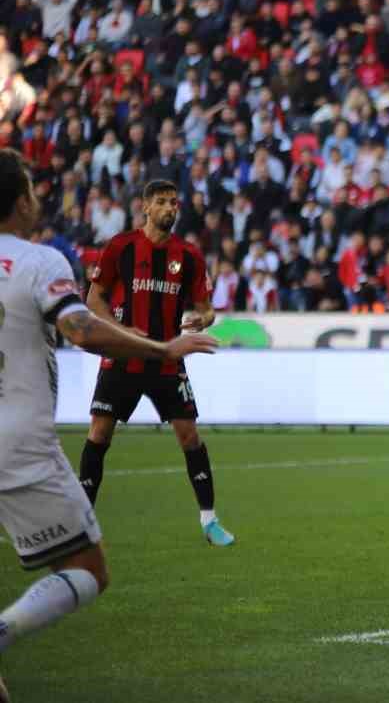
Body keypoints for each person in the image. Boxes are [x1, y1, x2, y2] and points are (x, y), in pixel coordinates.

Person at [0, 151, 217, 688]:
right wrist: (161, 348)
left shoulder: (185, 256)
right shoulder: (40, 260)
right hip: (17, 445)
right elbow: (79, 327)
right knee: (88, 571)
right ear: (23, 200)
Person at [76, 181, 233, 547]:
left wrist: (205, 317)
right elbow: (94, 298)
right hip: (122, 357)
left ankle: (209, 521)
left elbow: (205, 305)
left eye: (174, 202)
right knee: (99, 434)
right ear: (146, 206)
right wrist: (118, 330)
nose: (170, 208)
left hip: (167, 359)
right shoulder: (121, 247)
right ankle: (82, 524)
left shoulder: (189, 255)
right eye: (162, 202)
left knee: (189, 436)